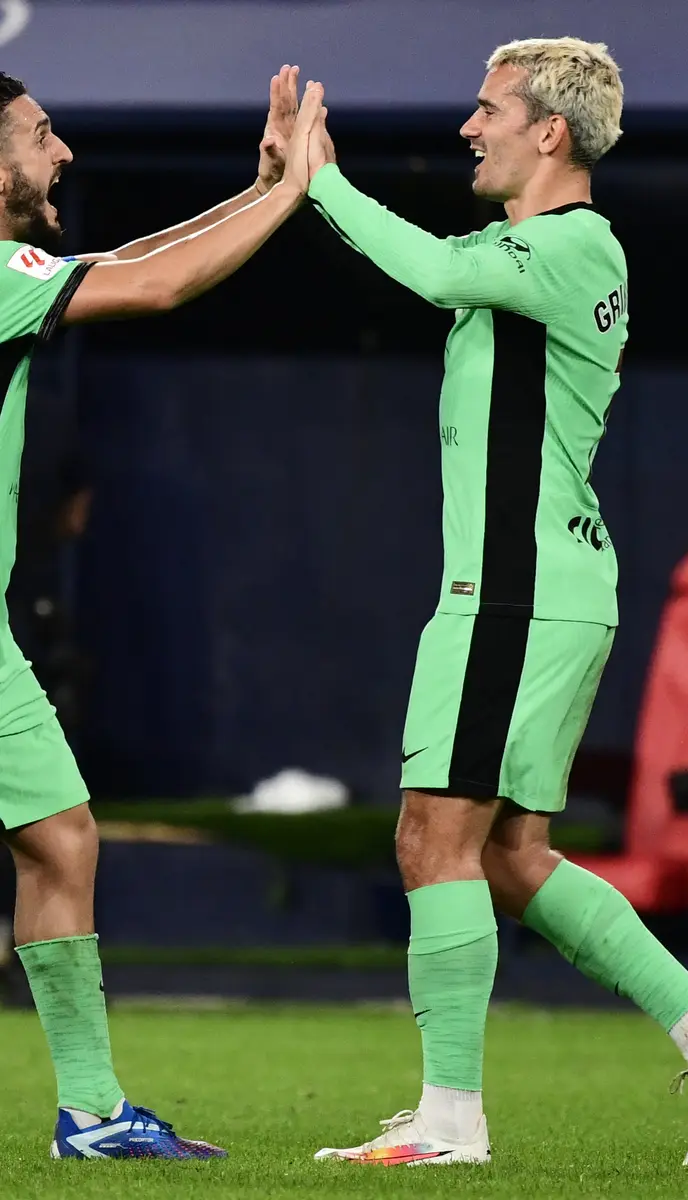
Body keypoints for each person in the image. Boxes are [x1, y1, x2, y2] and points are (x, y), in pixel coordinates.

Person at [297, 38, 688, 1170]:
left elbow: (428, 272)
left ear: (547, 131)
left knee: (433, 839)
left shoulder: (569, 245)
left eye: (487, 109)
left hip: (513, 596)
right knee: (510, 855)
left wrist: (316, 181)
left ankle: (452, 1123)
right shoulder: (543, 247)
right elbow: (450, 267)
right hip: (540, 591)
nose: (468, 127)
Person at [0, 66, 325, 1160]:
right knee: (59, 842)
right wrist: (297, 197)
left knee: (59, 840)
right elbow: (155, 291)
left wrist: (257, 187)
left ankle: (92, 1116)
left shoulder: (14, 268)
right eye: (41, 136)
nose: (63, 155)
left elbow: (121, 264)